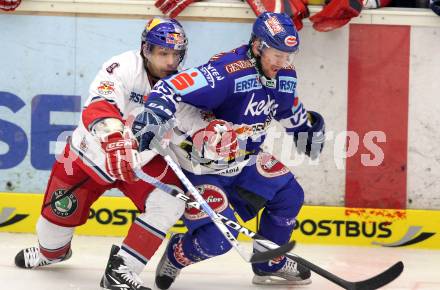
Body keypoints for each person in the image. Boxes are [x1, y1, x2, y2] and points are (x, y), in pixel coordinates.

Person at [134, 11, 326, 289]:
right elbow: (169, 86)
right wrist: (154, 113)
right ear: (258, 46)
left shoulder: (284, 73)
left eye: (289, 56)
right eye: (277, 55)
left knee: (289, 194)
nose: (283, 62)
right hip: (205, 168)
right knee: (218, 240)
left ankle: (268, 263)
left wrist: (305, 129)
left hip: (246, 162)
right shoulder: (226, 72)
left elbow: (286, 108)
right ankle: (177, 255)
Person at [14, 17, 189, 290]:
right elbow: (99, 105)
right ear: (146, 49)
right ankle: (52, 253)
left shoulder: (183, 83)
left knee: (170, 202)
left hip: (139, 163)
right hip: (88, 157)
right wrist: (115, 139)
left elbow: (187, 128)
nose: (170, 62)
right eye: (163, 53)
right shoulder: (122, 66)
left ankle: (122, 271)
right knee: (52, 234)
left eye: (175, 55)